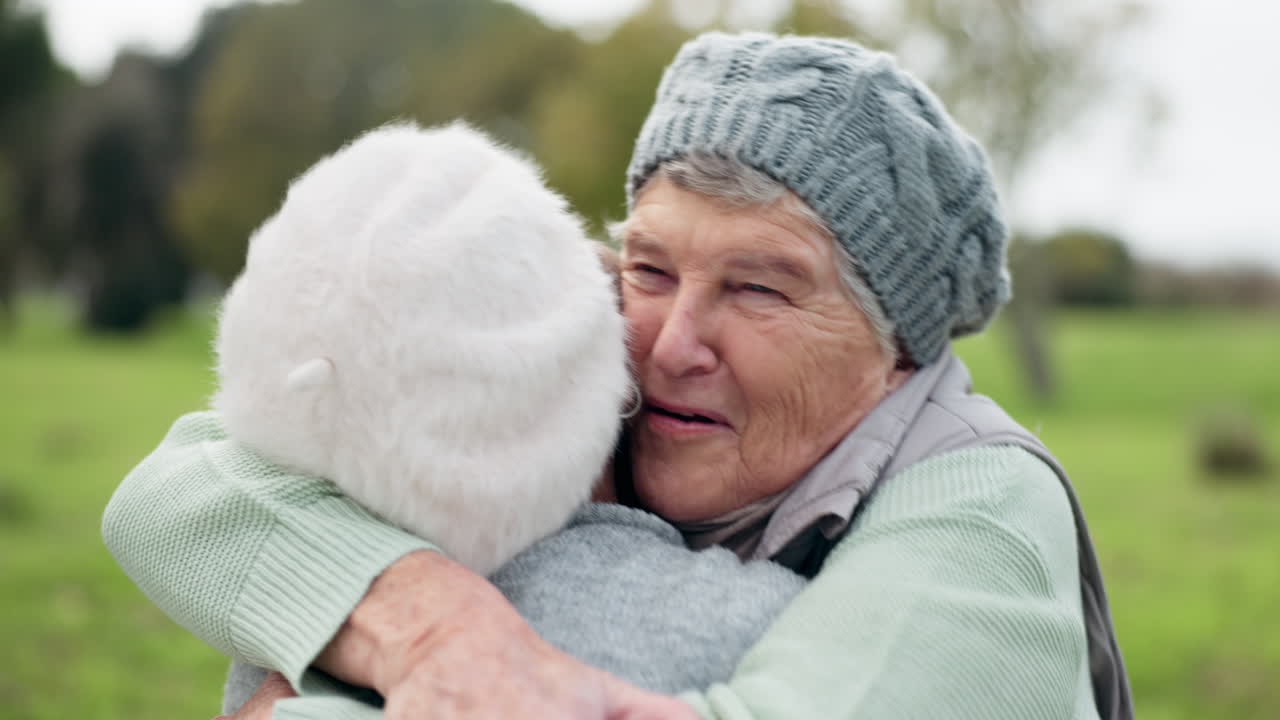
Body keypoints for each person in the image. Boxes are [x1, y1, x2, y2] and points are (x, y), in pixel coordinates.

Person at [103, 31, 1132, 719]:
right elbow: (186, 479)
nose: (669, 342)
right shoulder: (603, 359)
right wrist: (429, 621)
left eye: (758, 289)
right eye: (648, 265)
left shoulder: (981, 505)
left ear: (896, 346)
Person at [200, 119, 804, 717]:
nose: (673, 345)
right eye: (647, 275)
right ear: (607, 381)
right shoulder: (754, 618)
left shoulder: (298, 600)